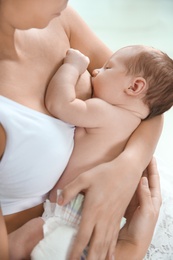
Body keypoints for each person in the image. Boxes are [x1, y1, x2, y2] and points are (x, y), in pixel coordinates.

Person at [0, 1, 163, 259]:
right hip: (57, 237)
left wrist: (126, 169)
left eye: (105, 68)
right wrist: (131, 248)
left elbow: (151, 105)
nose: (97, 70)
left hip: (81, 225)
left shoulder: (60, 20)